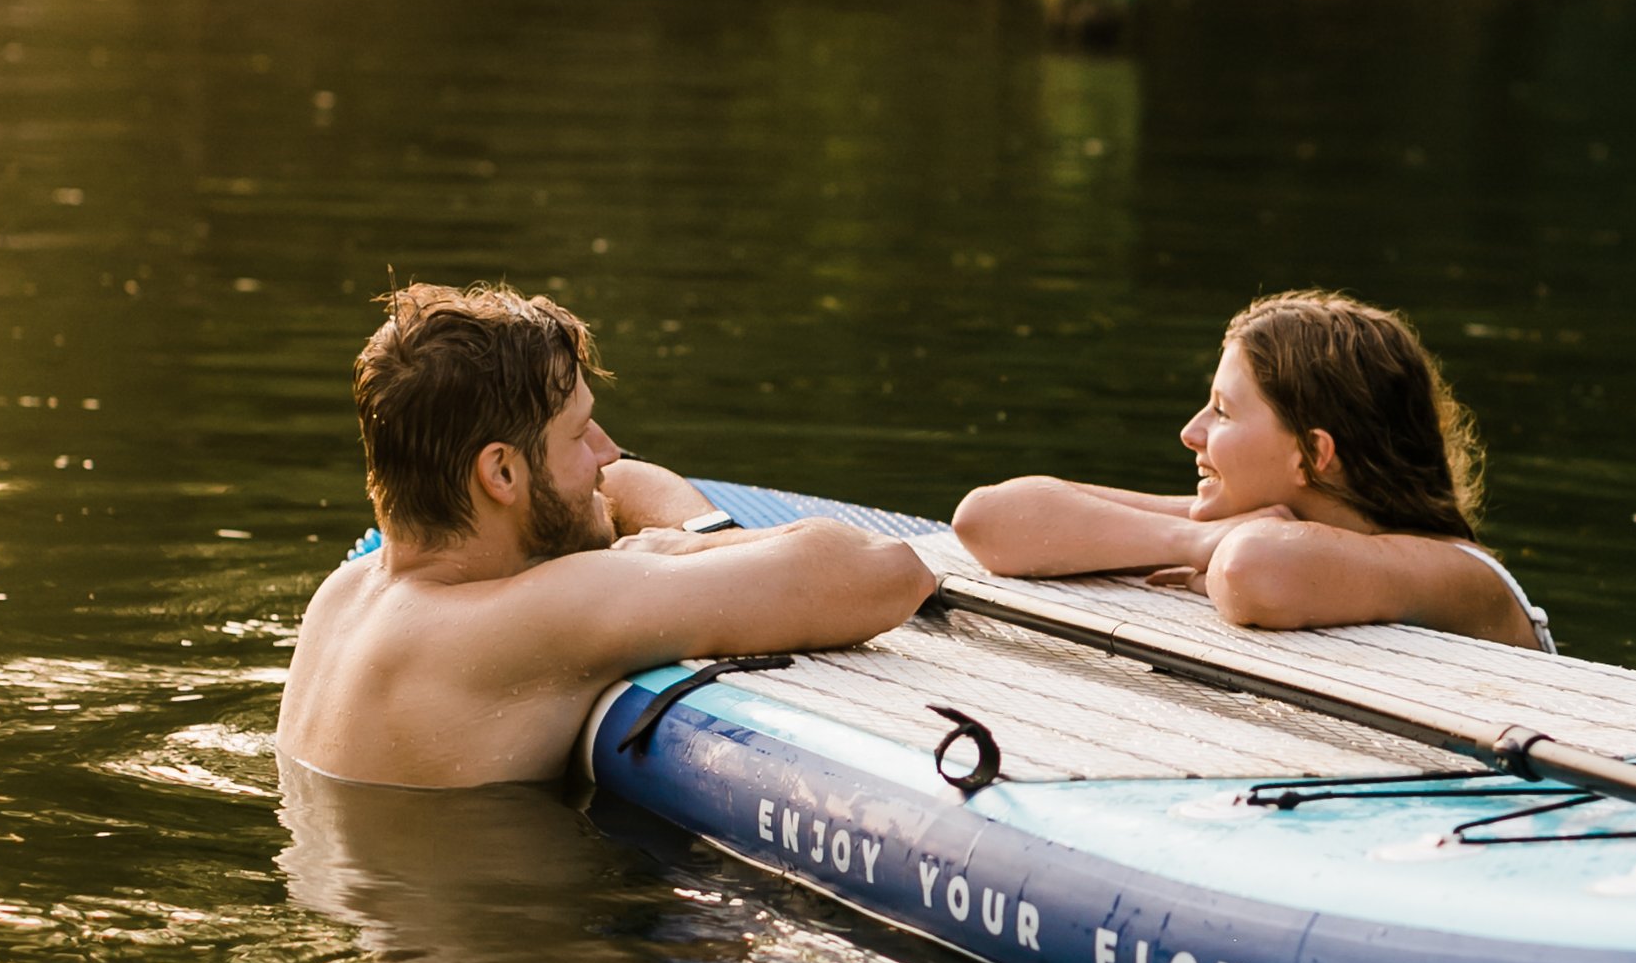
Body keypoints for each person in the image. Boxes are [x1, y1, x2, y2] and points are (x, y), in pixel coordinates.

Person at [279, 282, 932, 787]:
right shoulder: (540, 611)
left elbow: (614, 487)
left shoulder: (344, 596)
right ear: (501, 472)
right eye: (580, 432)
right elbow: (884, 572)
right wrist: (682, 550)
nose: (609, 450)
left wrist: (670, 538)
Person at [951, 287, 1546, 646]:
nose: (1191, 433)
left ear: (1312, 455)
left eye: (1223, 413)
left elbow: (1255, 570)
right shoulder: (1241, 523)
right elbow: (986, 519)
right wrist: (1191, 537)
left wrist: (1208, 548)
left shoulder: (1459, 574)